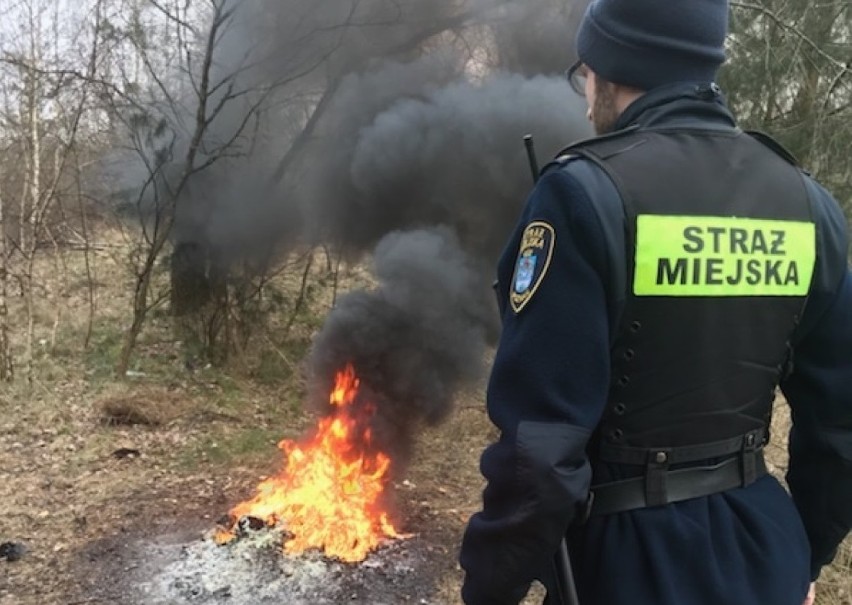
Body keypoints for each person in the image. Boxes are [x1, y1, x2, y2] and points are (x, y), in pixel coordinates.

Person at [458, 0, 852, 603]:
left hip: (626, 565)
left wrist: (491, 586)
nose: (586, 96)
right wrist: (804, 552)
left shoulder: (580, 195)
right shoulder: (810, 204)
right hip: (765, 549)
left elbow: (540, 453)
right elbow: (840, 423)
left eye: (584, 75)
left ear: (610, 69)